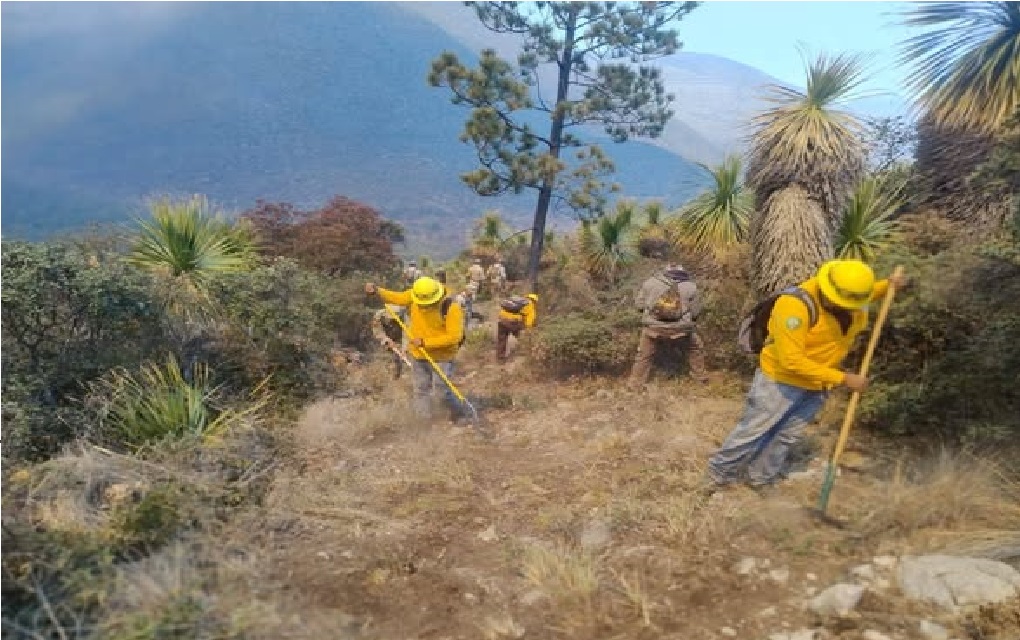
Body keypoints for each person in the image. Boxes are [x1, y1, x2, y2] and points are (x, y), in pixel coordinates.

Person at [706, 260, 908, 491]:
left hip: (817, 384)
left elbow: (865, 295)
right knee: (754, 431)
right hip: (780, 382)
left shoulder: (849, 297)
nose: (848, 307)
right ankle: (717, 477)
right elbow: (791, 360)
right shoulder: (795, 306)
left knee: (786, 436)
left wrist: (888, 285)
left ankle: (760, 478)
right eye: (842, 302)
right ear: (827, 290)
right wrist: (843, 378)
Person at [364, 277, 466, 421]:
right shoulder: (416, 295)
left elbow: (454, 337)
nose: (423, 306)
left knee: (442, 391)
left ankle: (458, 413)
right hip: (418, 355)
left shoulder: (451, 307)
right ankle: (424, 421)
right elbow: (398, 298)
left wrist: (425, 342)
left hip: (442, 357)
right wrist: (377, 290)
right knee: (420, 390)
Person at [627, 262, 707, 388]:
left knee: (643, 354)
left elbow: (639, 306)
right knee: (695, 348)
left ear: (665, 270)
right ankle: (700, 379)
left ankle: (635, 383)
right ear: (682, 271)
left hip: (653, 328)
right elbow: (695, 312)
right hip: (681, 329)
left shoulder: (650, 283)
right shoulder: (691, 286)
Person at [496, 293, 538, 362]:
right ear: (535, 301)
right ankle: (527, 352)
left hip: (502, 320)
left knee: (502, 339)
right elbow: (529, 323)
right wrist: (527, 331)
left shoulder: (515, 300)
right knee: (522, 336)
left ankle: (500, 359)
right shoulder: (530, 306)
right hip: (513, 322)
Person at [371, 304, 408, 379]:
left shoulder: (406, 317)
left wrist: (404, 349)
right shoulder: (379, 315)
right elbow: (377, 331)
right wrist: (386, 339)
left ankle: (398, 375)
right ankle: (387, 375)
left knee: (399, 357)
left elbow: (406, 334)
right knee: (389, 357)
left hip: (399, 337)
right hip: (385, 337)